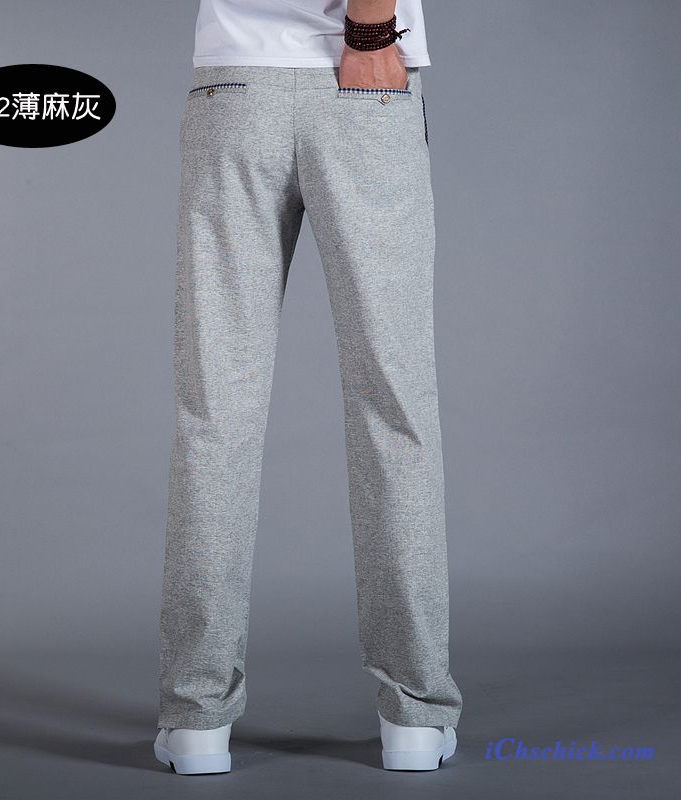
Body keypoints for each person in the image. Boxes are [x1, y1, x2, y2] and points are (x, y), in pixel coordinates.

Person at [154, 0, 463, 774]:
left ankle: (196, 720)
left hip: (231, 87)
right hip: (358, 80)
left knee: (214, 414)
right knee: (393, 407)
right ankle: (414, 716)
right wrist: (370, 33)